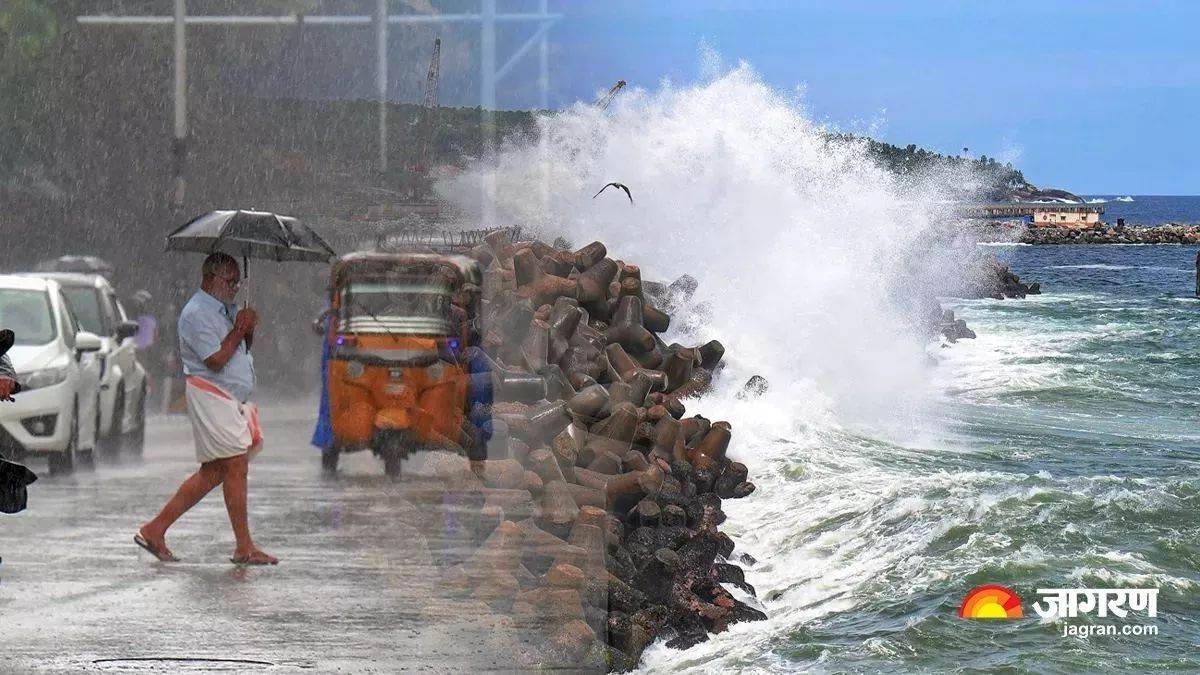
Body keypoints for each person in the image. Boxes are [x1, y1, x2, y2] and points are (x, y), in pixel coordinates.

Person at [135, 253, 277, 565]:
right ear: (210, 279)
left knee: (216, 471)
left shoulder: (226, 309)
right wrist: (238, 330)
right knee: (236, 465)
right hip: (212, 394)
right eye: (229, 281)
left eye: (237, 281)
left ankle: (155, 529)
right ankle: (244, 546)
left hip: (228, 398)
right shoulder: (196, 313)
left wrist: (246, 328)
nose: (235, 287)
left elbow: (240, 349)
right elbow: (214, 358)